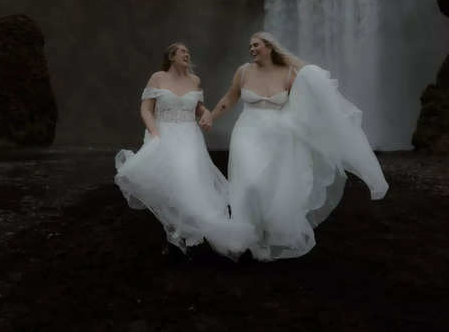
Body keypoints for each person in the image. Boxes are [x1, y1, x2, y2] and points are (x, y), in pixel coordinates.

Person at [210, 31, 388, 261]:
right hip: (247, 131)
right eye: (250, 46)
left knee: (269, 186)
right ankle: (242, 235)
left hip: (278, 136)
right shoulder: (244, 71)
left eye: (256, 45)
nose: (251, 49)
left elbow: (306, 100)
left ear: (269, 47)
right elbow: (229, 98)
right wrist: (211, 116)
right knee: (249, 183)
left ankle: (263, 238)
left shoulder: (288, 73)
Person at [114, 42, 252, 259]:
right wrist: (155, 135)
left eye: (188, 52)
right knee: (166, 184)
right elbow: (146, 109)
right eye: (182, 51)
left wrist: (206, 114)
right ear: (171, 56)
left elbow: (197, 108)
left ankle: (194, 234)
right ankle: (170, 235)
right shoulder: (157, 77)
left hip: (189, 138)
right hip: (163, 134)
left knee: (189, 183)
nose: (187, 54)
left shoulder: (194, 80)